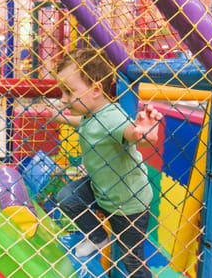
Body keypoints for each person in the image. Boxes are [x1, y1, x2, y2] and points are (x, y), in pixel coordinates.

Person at [47, 48, 162, 277]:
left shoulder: (112, 117)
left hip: (129, 206)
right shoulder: (93, 115)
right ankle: (98, 237)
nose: (63, 98)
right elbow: (85, 124)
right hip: (101, 190)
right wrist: (58, 116)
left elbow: (133, 134)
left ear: (96, 90)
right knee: (68, 197)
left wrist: (146, 133)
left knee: (132, 260)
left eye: (69, 91)